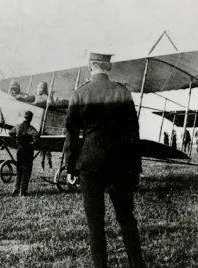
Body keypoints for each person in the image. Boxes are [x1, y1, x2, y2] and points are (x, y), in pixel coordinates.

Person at [65, 53, 145, 268]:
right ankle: (137, 265)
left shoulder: (79, 94)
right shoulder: (122, 91)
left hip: (90, 163)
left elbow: (71, 136)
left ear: (90, 67)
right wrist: (136, 168)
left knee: (95, 223)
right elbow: (133, 133)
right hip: (120, 163)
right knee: (127, 219)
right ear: (108, 66)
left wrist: (70, 167)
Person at [9, 110, 39, 196]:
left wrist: (16, 140)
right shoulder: (30, 128)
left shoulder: (18, 126)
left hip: (19, 149)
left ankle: (16, 189)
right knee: (27, 170)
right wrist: (33, 143)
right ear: (31, 118)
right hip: (28, 150)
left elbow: (11, 132)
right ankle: (23, 191)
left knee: (19, 170)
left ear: (24, 117)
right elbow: (36, 135)